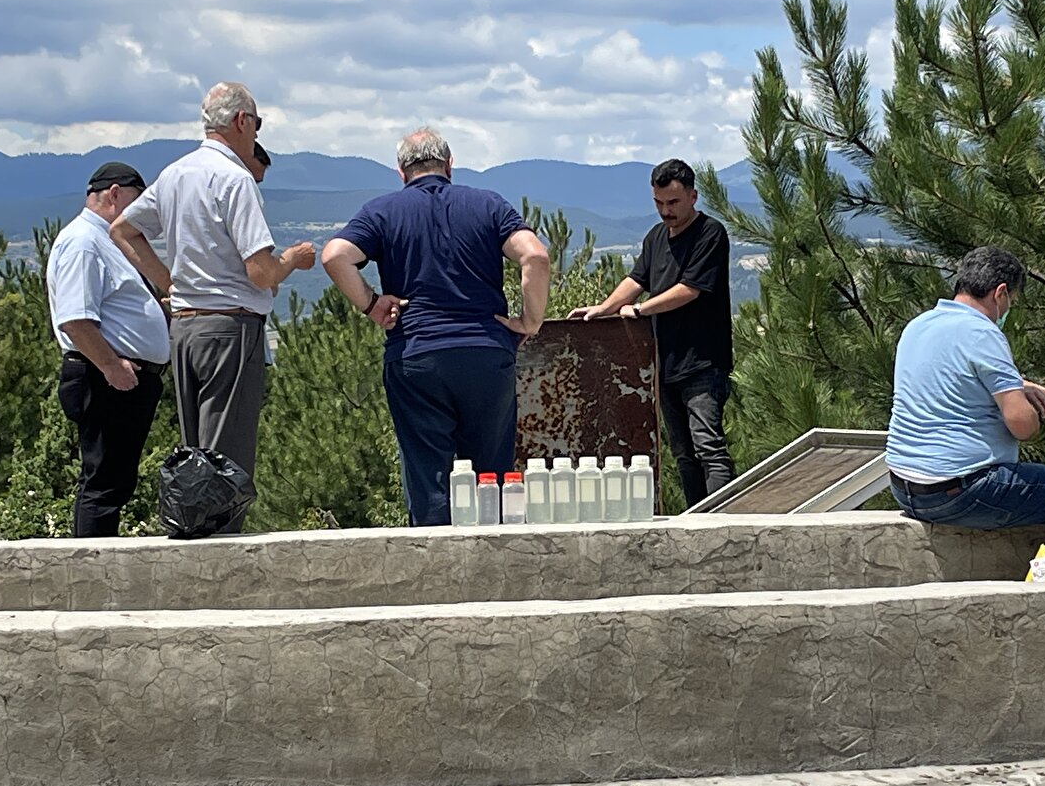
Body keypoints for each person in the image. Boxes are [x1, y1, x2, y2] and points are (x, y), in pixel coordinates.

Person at [110, 82, 315, 532]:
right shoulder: (234, 178)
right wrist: (292, 262)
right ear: (242, 121)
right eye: (257, 123)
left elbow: (123, 229)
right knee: (225, 462)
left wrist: (168, 282)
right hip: (230, 329)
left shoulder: (175, 174)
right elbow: (260, 272)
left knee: (196, 458)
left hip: (184, 328)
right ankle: (221, 560)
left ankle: (193, 546)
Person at [321, 126, 550, 526]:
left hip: (416, 355)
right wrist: (530, 321)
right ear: (449, 164)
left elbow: (334, 256)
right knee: (490, 478)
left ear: (401, 171)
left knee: (428, 477)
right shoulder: (489, 205)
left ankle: (434, 567)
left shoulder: (383, 211)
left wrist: (373, 305)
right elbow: (535, 257)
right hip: (486, 353)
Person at [886, 246, 1045, 581]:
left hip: (906, 488)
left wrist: (1015, 383)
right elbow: (1022, 426)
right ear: (1000, 293)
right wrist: (1031, 409)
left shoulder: (920, 325)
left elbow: (945, 376)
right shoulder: (982, 332)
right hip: (958, 493)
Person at [569, 159, 734, 507]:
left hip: (702, 362)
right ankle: (694, 517)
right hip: (665, 363)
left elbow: (689, 289)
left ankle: (722, 518)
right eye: (659, 203)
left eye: (673, 203)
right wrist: (605, 308)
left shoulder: (710, 234)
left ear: (693, 196)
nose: (665, 212)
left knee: (708, 447)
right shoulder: (656, 237)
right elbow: (636, 280)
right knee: (683, 454)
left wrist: (642, 310)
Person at [45, 162, 169, 537]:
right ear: (114, 194)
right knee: (103, 485)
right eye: (135, 203)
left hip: (121, 378)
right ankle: (92, 572)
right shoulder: (84, 242)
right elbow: (75, 319)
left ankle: (100, 566)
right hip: (107, 378)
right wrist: (112, 367)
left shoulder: (104, 240)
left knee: (113, 482)